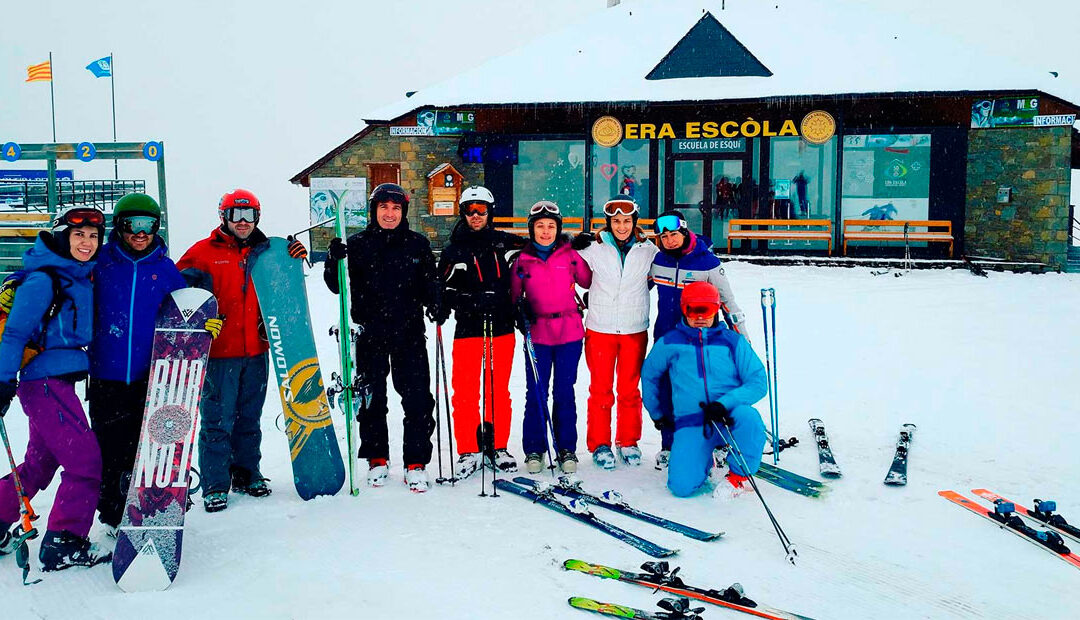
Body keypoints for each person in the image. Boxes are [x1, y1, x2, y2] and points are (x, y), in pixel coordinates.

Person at [177, 189, 305, 512]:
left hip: (257, 351)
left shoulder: (266, 251)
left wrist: (293, 254)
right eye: (237, 215)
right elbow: (176, 293)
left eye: (249, 216)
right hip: (220, 354)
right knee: (218, 420)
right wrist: (198, 320)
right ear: (224, 217)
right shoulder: (203, 254)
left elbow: (286, 277)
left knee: (249, 417)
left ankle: (248, 474)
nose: (244, 222)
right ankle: (216, 484)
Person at [0, 207, 112, 570]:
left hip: (56, 383)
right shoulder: (44, 279)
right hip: (44, 385)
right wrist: (2, 381)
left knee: (38, 465)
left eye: (93, 236)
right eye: (79, 235)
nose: (87, 243)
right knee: (86, 462)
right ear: (63, 237)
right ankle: (65, 541)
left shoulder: (78, 277)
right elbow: (15, 333)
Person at [88, 193, 207, 534]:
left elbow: (182, 314)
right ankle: (112, 514)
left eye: (148, 225)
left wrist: (202, 324)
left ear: (157, 227)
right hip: (106, 376)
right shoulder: (100, 262)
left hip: (150, 377)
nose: (140, 233)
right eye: (131, 225)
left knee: (148, 447)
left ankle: (150, 503)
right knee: (110, 449)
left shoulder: (165, 270)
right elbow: (59, 272)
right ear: (119, 227)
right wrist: (15, 281)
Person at [323, 183, 437, 492]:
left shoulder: (417, 245)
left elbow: (430, 284)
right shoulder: (357, 244)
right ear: (375, 211)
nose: (390, 213)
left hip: (409, 333)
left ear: (403, 212)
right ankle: (377, 458)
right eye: (384, 207)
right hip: (369, 332)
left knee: (416, 399)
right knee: (372, 400)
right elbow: (336, 286)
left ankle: (416, 462)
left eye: (396, 208)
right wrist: (334, 259)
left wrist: (437, 300)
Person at [640, 281, 767, 498]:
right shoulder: (670, 342)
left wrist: (724, 403)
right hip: (692, 421)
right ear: (684, 309)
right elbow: (649, 375)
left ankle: (738, 476)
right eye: (693, 311)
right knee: (681, 488)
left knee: (750, 418)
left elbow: (758, 381)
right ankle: (702, 459)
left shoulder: (732, 341)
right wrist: (657, 413)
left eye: (706, 311)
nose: (700, 317)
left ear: (716, 310)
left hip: (728, 416)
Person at [433, 186, 525, 480]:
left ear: (490, 212)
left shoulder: (506, 243)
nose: (475, 216)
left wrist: (572, 241)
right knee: (465, 392)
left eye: (481, 210)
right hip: (468, 327)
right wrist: (452, 303)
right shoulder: (454, 249)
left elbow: (542, 247)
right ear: (463, 212)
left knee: (498, 390)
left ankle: (497, 446)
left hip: (501, 326)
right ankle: (468, 450)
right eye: (470, 210)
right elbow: (442, 288)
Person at [648, 209, 747, 470]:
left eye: (673, 234)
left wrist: (741, 337)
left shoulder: (707, 262)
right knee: (670, 392)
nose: (669, 240)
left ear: (684, 231)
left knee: (706, 391)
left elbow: (727, 301)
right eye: (664, 236)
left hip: (702, 341)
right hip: (667, 340)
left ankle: (718, 443)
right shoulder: (658, 260)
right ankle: (669, 445)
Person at [571, 195, 656, 470]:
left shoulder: (648, 250)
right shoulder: (594, 248)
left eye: (627, 221)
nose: (621, 226)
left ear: (635, 222)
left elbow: (678, 255)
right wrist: (571, 240)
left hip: (634, 329)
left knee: (630, 390)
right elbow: (560, 264)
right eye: (616, 221)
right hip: (600, 328)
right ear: (609, 223)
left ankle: (628, 440)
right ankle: (600, 444)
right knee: (601, 390)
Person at [510, 201, 592, 474]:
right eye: (540, 226)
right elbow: (512, 295)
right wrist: (518, 309)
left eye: (551, 226)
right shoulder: (522, 260)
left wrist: (586, 248)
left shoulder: (569, 255)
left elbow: (589, 280)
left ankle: (566, 447)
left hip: (568, 331)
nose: (546, 232)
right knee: (536, 392)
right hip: (538, 333)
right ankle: (535, 447)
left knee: (564, 391)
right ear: (531, 229)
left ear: (558, 229)